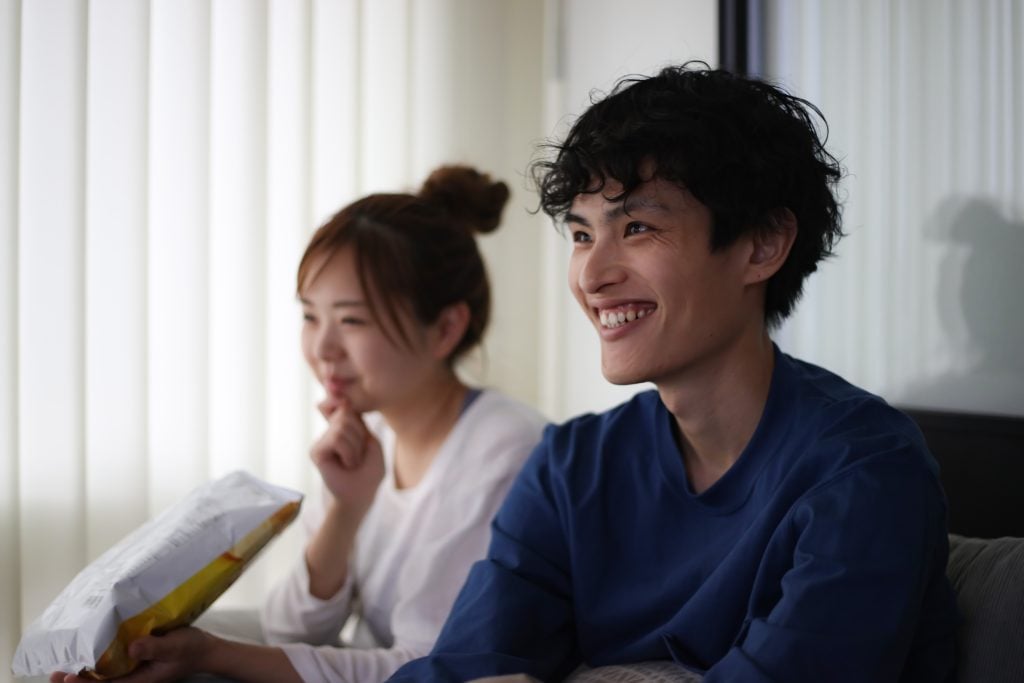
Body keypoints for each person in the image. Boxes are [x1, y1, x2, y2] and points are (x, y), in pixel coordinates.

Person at [388, 64, 960, 682]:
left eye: (638, 228)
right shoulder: (571, 467)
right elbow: (459, 670)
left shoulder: (864, 470)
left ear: (762, 245)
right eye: (582, 234)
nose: (592, 275)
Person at [50, 165, 547, 683]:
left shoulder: (504, 450)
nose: (323, 349)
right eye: (311, 316)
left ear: (445, 328)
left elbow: (430, 668)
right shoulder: (373, 437)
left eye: (352, 320)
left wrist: (208, 655)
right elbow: (291, 629)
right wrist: (346, 509)